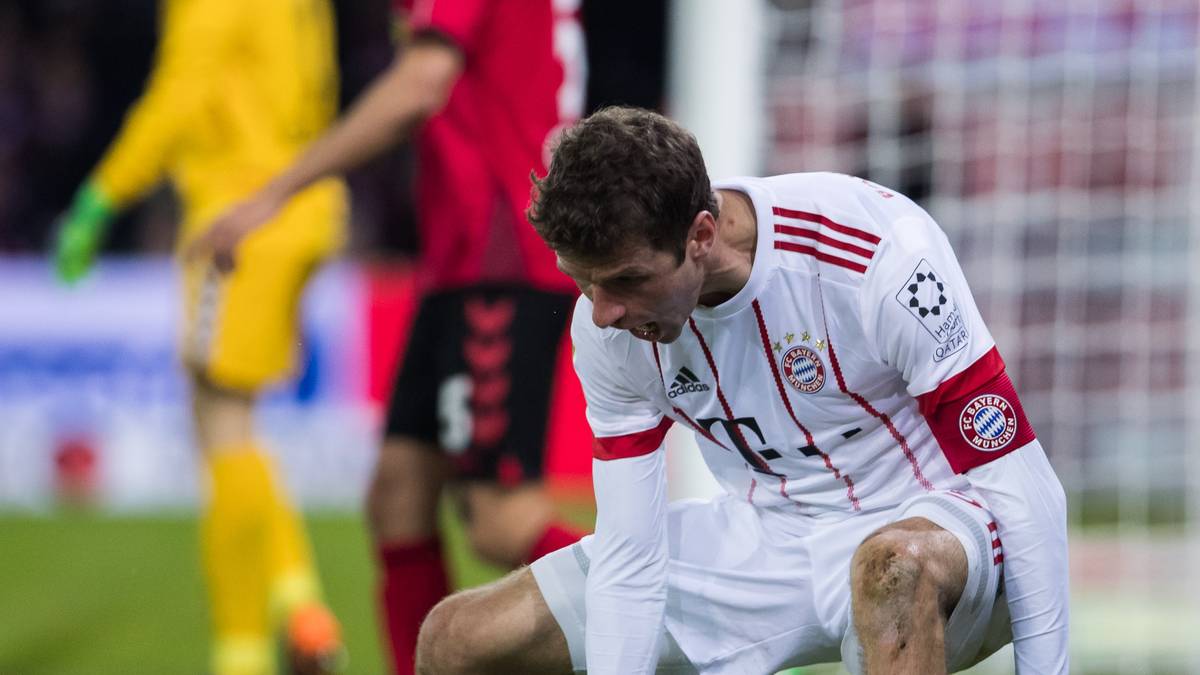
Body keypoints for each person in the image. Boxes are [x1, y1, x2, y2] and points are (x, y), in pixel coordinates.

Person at [411, 106, 1071, 675]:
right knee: (458, 637)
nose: (604, 311)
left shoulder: (875, 252)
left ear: (700, 234)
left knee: (892, 567)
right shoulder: (608, 321)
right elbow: (630, 556)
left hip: (945, 528)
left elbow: (1025, 489)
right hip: (769, 538)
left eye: (625, 279)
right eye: (584, 281)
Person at [189, 1, 590, 673]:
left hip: (499, 252)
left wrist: (271, 194)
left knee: (500, 518)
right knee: (398, 494)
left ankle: (681, 617)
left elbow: (421, 81)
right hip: (463, 256)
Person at [51, 1, 347, 674]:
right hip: (300, 204)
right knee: (225, 423)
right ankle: (300, 606)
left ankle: (240, 653)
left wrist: (101, 196)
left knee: (223, 425)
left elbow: (179, 96)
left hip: (241, 217)